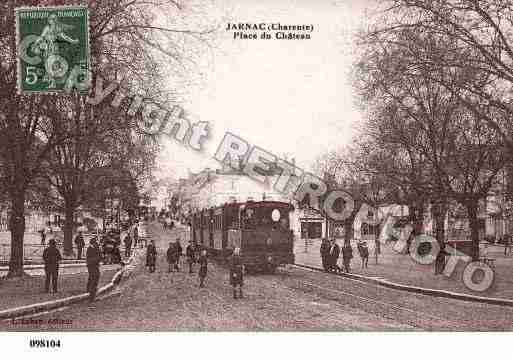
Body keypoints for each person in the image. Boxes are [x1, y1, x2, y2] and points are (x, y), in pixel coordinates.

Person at [86, 237, 102, 302]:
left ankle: (90, 293)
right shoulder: (90, 249)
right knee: (94, 279)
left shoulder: (94, 248)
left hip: (93, 266)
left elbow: (99, 255)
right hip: (92, 266)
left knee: (92, 278)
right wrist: (98, 259)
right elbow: (94, 258)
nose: (96, 244)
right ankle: (92, 297)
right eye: (95, 243)